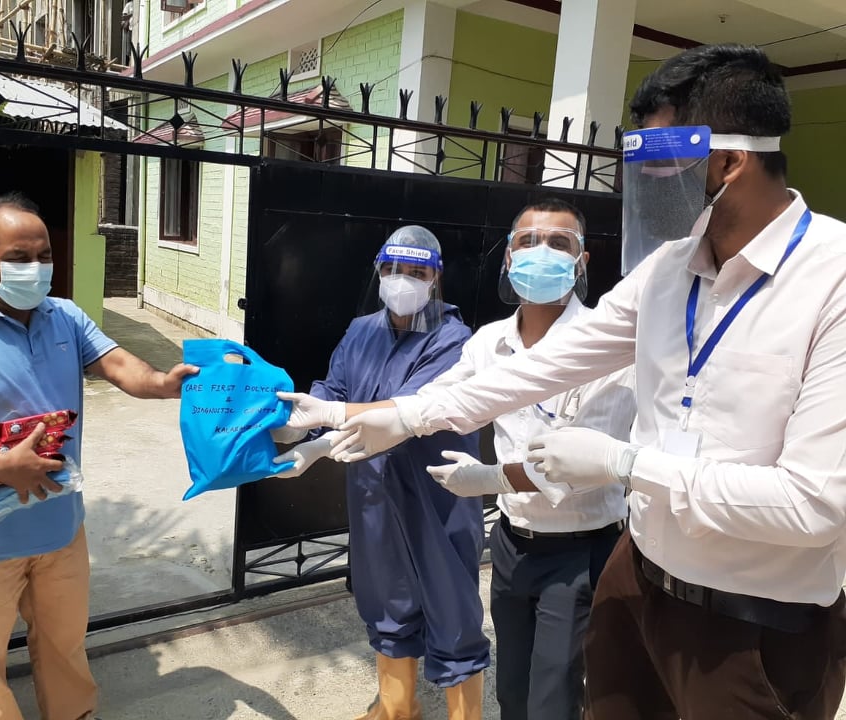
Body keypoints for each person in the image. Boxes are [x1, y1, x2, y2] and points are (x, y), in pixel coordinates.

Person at [295, 44, 846, 719]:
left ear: (729, 162)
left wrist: (625, 464)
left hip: (757, 622)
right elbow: (543, 366)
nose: (646, 184)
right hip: (640, 583)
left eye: (661, 164)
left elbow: (814, 507)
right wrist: (405, 415)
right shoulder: (667, 272)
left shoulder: (832, 279)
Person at [0, 193, 199, 720]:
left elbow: (118, 364)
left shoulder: (65, 317)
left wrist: (162, 383)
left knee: (64, 649)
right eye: (18, 258)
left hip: (60, 532)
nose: (36, 268)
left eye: (44, 255)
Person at [421, 198, 635, 720]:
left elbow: (578, 470)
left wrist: (489, 479)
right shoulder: (489, 343)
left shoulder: (607, 347)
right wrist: (334, 419)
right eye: (528, 241)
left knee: (553, 702)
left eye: (559, 243)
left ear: (581, 261)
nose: (542, 252)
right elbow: (433, 401)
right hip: (513, 546)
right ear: (508, 256)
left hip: (581, 552)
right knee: (513, 693)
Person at [273, 226, 490, 720]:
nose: (402, 279)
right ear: (378, 270)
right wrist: (293, 427)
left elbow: (409, 411)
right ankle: (397, 708)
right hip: (372, 491)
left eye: (415, 271)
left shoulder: (453, 340)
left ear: (435, 279)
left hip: (437, 495)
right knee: (386, 598)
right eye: (393, 269)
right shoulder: (361, 331)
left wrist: (323, 435)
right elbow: (333, 390)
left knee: (451, 607)